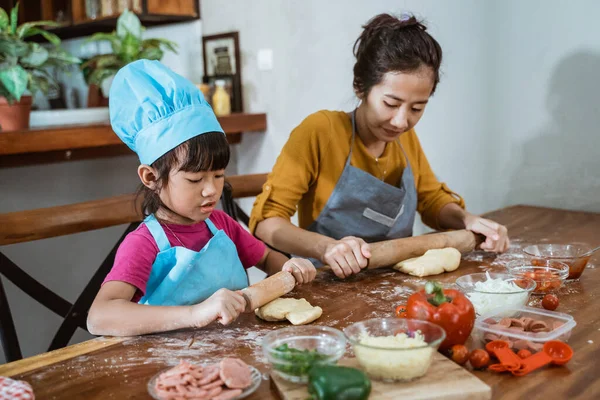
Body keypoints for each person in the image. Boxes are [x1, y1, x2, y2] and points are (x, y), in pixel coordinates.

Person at [250, 13, 509, 279]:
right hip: (326, 284)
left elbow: (431, 199)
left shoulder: (404, 138)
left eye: (417, 108)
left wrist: (468, 220)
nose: (401, 121)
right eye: (391, 104)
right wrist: (326, 247)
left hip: (396, 281)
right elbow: (267, 223)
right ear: (360, 87)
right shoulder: (321, 131)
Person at [87, 60, 316, 337]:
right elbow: (99, 317)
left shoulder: (222, 225)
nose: (211, 190)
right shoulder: (144, 243)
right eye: (195, 180)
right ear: (150, 178)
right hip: (172, 365)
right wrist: (194, 314)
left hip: (236, 348)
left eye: (218, 175)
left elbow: (266, 257)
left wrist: (287, 265)